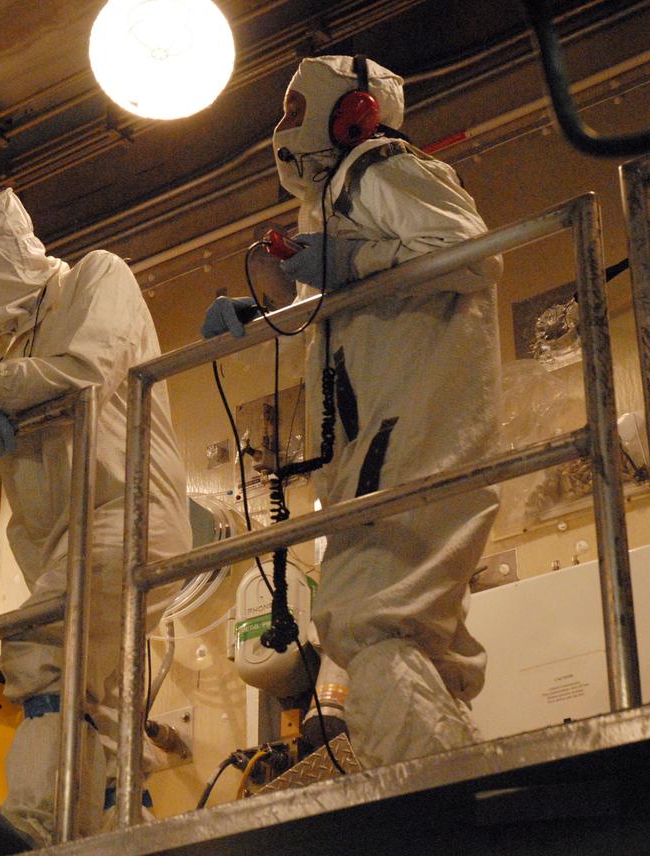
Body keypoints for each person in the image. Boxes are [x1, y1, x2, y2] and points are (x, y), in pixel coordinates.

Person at [203, 55, 501, 767]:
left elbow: (467, 251)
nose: (282, 130)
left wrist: (345, 261)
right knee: (411, 628)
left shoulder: (380, 164)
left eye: (296, 111)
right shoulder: (344, 193)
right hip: (386, 437)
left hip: (407, 432)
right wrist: (281, 307)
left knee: (370, 613)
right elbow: (382, 288)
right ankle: (443, 766)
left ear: (354, 114)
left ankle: (427, 800)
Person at [0, 188, 191, 853]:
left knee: (44, 644)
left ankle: (36, 820)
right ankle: (120, 830)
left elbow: (85, 370)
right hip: (60, 538)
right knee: (99, 693)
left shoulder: (96, 277)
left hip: (129, 509)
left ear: (4, 249)